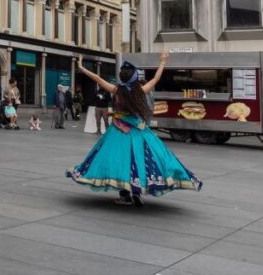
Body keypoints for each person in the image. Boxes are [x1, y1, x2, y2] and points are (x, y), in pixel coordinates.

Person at [67, 52, 202, 207]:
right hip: (139, 130)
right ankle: (137, 192)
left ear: (121, 77)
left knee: (121, 162)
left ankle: (125, 195)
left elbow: (97, 79)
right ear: (135, 78)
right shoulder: (140, 91)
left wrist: (82, 67)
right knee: (140, 159)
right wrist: (163, 61)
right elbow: (155, 79)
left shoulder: (116, 90)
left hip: (119, 130)